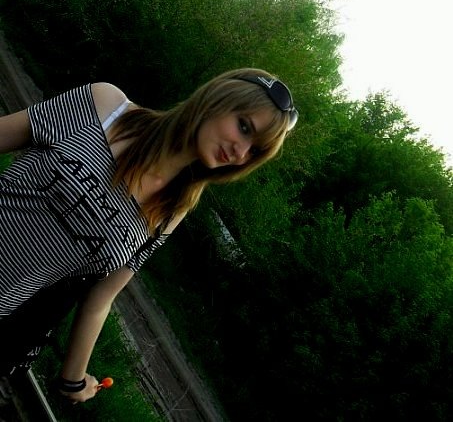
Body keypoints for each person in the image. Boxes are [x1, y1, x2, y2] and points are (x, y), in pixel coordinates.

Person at [0, 67, 298, 402]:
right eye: (244, 127)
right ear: (216, 99)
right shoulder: (105, 106)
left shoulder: (170, 212)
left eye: (254, 150)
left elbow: (101, 296)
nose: (240, 152)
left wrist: (73, 380)